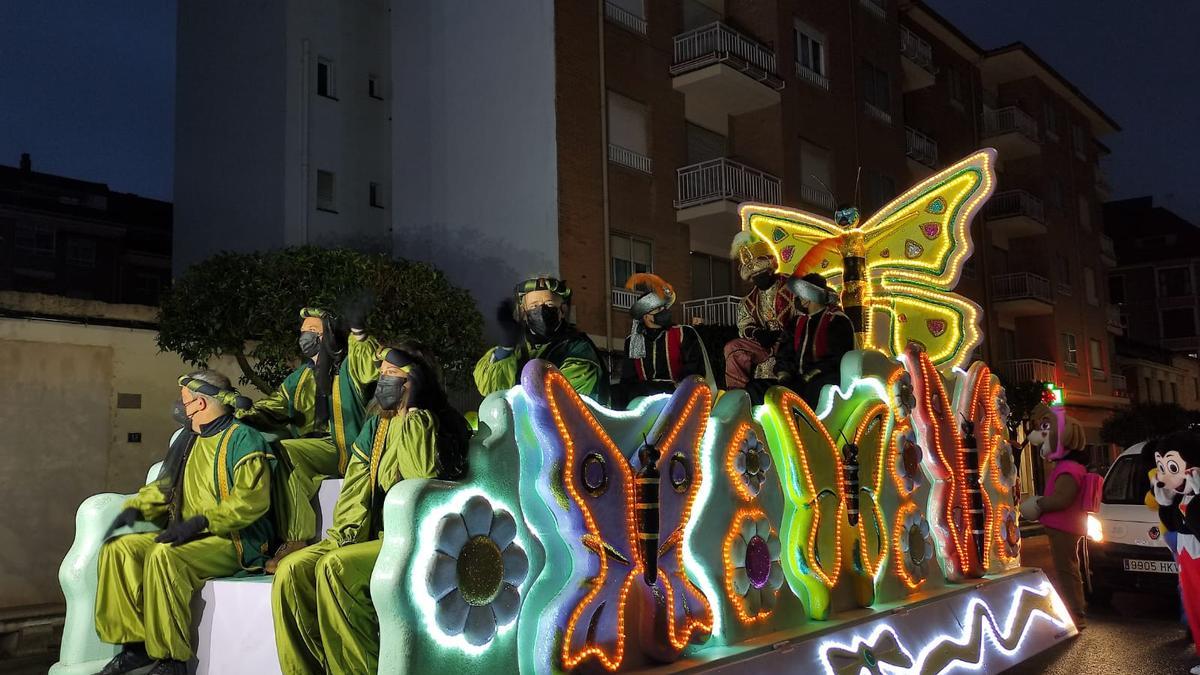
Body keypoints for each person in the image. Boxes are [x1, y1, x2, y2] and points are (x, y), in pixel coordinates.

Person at [272, 342, 470, 674]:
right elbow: (355, 483)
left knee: (336, 569)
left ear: (416, 380)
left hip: (415, 539)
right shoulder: (375, 426)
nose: (383, 381)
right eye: (381, 374)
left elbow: (421, 478)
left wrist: (414, 413)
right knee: (292, 571)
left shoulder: (440, 422)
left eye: (392, 374)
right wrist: (344, 535)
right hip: (369, 535)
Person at [94, 371, 275, 675]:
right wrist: (135, 508)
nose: (180, 407)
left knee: (164, 556)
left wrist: (202, 521)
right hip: (189, 535)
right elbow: (164, 488)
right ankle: (137, 646)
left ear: (201, 403)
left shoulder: (243, 438)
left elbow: (251, 499)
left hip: (235, 540)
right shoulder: (190, 438)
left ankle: (171, 660)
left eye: (185, 401)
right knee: (119, 549)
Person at [236, 306, 380, 571]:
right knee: (273, 452)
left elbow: (370, 364)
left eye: (313, 331)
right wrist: (238, 413)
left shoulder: (348, 367)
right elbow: (273, 407)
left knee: (288, 451)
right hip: (313, 448)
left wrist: (359, 334)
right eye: (303, 332)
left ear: (328, 335)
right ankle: (270, 539)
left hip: (348, 448)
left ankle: (296, 539)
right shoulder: (299, 378)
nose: (305, 336)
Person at [474, 275, 609, 404]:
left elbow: (565, 398)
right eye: (534, 306)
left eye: (549, 305)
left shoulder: (577, 347)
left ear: (562, 310)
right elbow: (490, 390)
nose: (541, 310)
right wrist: (505, 348)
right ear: (523, 312)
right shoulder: (517, 347)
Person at [1018, 407, 1089, 629]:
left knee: (1066, 570)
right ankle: (1074, 611)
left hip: (1064, 527)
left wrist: (1038, 503)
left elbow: (1061, 499)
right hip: (1065, 526)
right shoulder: (1069, 467)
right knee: (1067, 568)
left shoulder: (1069, 469)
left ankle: (1075, 613)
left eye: (1046, 430)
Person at [1144, 430, 1200, 673]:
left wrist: (1195, 500)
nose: (1163, 476)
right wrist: (1166, 503)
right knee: (1193, 604)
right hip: (1187, 554)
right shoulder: (1181, 496)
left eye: (1172, 467)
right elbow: (1175, 523)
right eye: (1161, 467)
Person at [613, 272, 713, 408]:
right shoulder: (633, 341)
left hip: (676, 393)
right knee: (615, 392)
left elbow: (694, 369)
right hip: (642, 395)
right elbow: (628, 377)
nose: (664, 311)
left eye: (664, 308)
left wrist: (676, 386)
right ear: (646, 316)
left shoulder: (683, 333)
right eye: (658, 309)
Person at [723, 231, 798, 392]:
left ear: (770, 269)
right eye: (754, 276)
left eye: (762, 274)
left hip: (792, 342)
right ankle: (737, 393)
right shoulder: (749, 300)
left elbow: (806, 313)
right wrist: (757, 334)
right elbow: (744, 325)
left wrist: (785, 334)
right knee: (732, 347)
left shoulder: (792, 287)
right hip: (764, 346)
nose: (759, 279)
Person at [772, 272, 854, 407]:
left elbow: (837, 358)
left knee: (809, 390)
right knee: (760, 388)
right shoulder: (797, 322)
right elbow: (785, 352)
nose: (799, 298)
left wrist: (809, 375)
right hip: (797, 379)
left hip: (824, 378)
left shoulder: (837, 320)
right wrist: (783, 374)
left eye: (802, 293)